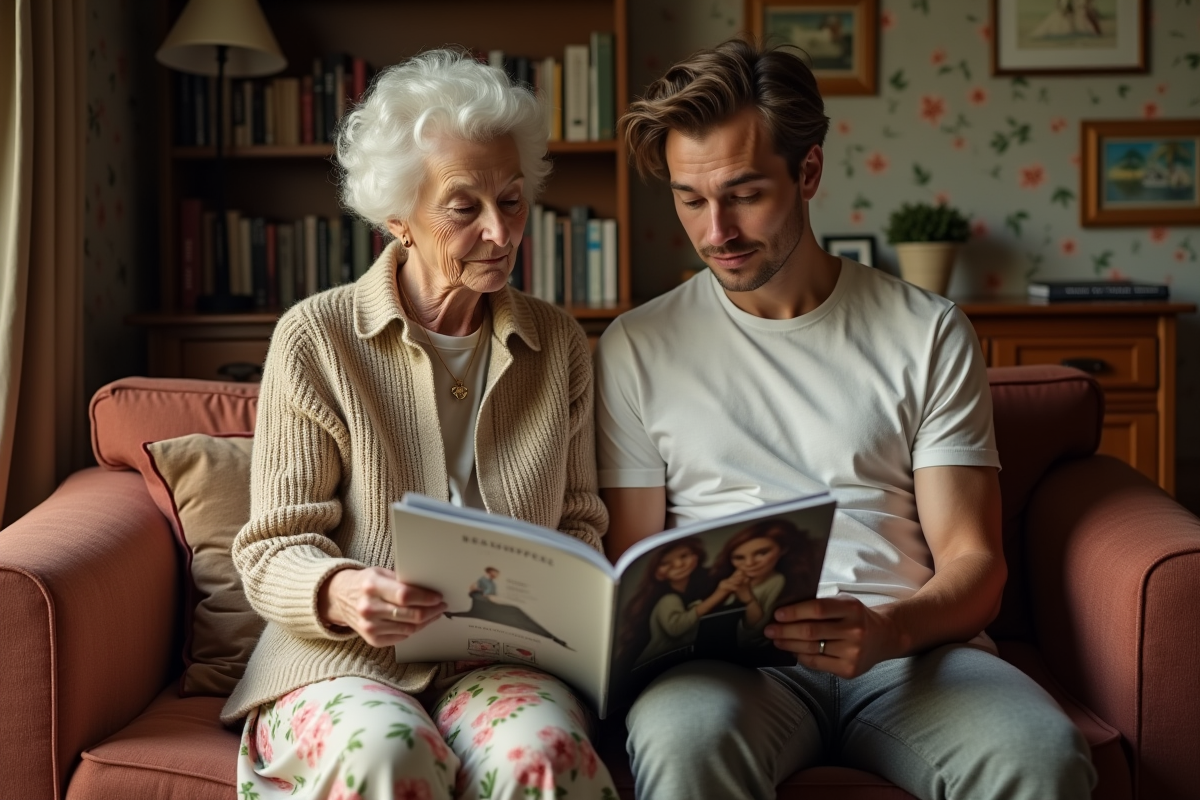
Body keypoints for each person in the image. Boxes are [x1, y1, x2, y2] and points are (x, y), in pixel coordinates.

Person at [596, 38, 1095, 800]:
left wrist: (889, 631)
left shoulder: (925, 330)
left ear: (809, 172)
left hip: (910, 654)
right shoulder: (636, 346)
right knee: (686, 739)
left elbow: (975, 563)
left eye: (744, 193)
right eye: (690, 199)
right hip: (726, 669)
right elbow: (640, 564)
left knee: (1039, 752)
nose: (715, 232)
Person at [220, 49, 616, 800]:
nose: (501, 233)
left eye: (513, 199)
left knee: (545, 760)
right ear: (397, 217)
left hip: (504, 662)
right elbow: (272, 547)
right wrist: (339, 591)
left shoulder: (558, 341)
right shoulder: (317, 338)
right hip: (342, 661)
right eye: (465, 208)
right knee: (385, 754)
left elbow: (578, 522)